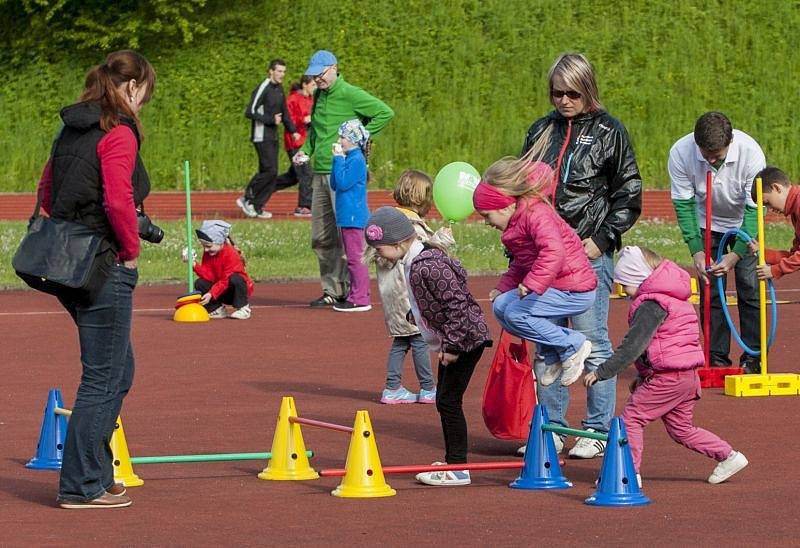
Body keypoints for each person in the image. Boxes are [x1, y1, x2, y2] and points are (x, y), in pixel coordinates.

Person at [34, 50, 156, 509]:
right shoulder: (118, 132)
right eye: (145, 91)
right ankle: (81, 485)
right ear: (132, 87)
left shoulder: (72, 127)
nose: (144, 101)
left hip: (68, 261)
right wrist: (128, 251)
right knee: (104, 376)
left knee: (116, 370)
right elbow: (119, 201)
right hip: (104, 263)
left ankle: (96, 475)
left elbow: (47, 189)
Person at [520, 53, 642, 459]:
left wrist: (602, 239)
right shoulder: (540, 130)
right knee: (546, 342)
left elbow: (629, 192)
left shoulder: (611, 131)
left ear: (588, 89)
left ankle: (596, 429)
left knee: (592, 342)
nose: (563, 101)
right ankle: (553, 429)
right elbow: (524, 191)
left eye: (572, 93)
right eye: (557, 93)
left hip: (587, 255)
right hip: (544, 257)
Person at [584, 246, 749, 486]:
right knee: (681, 429)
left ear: (639, 279)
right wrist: (644, 375)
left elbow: (633, 346)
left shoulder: (651, 304)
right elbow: (666, 345)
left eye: (625, 284)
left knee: (631, 418)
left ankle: (627, 474)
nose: (624, 292)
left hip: (669, 377)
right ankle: (729, 456)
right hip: (687, 376)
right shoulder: (675, 298)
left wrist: (602, 372)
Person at [364, 207, 491, 486]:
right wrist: (419, 316)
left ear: (398, 243)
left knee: (448, 401)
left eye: (380, 249)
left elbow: (457, 303)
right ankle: (453, 460)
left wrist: (454, 346)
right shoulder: (416, 262)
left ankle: (458, 467)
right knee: (445, 400)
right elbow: (436, 297)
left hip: (466, 339)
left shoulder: (427, 265)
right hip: (457, 337)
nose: (377, 255)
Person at [474, 158, 597, 387]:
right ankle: (552, 355)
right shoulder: (516, 223)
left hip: (574, 289)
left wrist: (532, 283)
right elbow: (521, 263)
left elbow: (554, 252)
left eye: (486, 216)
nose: (486, 223)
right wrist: (503, 287)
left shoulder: (535, 214)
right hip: (556, 285)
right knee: (501, 306)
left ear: (505, 206)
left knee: (517, 314)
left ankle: (574, 344)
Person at [294, 50, 394, 308]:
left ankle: (356, 293)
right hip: (321, 173)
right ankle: (333, 289)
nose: (317, 79)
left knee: (349, 235)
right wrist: (306, 150)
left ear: (334, 68)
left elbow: (385, 113)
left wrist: (361, 136)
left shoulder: (350, 93)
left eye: (321, 73)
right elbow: (316, 131)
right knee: (321, 235)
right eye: (314, 75)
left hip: (344, 171)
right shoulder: (318, 95)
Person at [669, 112, 765, 374]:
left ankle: (753, 358)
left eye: (717, 155)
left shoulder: (751, 153)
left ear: (730, 142)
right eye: (705, 154)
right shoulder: (681, 152)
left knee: (750, 287)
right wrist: (696, 250)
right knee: (710, 291)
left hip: (743, 224)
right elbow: (684, 205)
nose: (711, 160)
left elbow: (754, 210)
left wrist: (735, 255)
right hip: (706, 224)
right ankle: (716, 358)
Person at [367, 169, 455, 404]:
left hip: (392, 294)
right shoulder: (410, 226)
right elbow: (419, 254)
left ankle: (392, 386)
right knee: (418, 339)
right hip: (406, 293)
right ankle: (427, 387)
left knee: (401, 340)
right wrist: (440, 242)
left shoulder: (390, 220)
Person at [237, 58, 300, 220]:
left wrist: (293, 131)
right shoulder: (263, 87)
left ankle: (257, 206)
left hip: (272, 136)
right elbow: (249, 111)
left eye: (284, 72)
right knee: (269, 170)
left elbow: (284, 112)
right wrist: (271, 120)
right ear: (271, 71)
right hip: (261, 135)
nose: (282, 74)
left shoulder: (279, 89)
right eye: (279, 71)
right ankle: (247, 198)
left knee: (272, 172)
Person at [330, 119, 372, 312]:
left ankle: (360, 297)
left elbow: (344, 182)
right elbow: (335, 183)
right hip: (347, 216)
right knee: (353, 257)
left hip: (354, 217)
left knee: (356, 258)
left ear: (353, 140)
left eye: (343, 137)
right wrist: (336, 160)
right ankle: (356, 294)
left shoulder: (355, 160)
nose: (340, 140)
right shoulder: (349, 158)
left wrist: (338, 159)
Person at [186, 220, 254, 320]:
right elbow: (209, 275)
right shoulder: (209, 253)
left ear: (219, 242)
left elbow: (226, 279)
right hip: (221, 290)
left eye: (208, 246)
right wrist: (194, 265)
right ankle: (217, 309)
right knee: (200, 283)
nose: (205, 250)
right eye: (204, 246)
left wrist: (211, 293)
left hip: (234, 290)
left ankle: (243, 308)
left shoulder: (231, 254)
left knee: (235, 278)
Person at [747, 167, 800, 282]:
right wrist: (763, 253)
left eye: (767, 203)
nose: (770, 209)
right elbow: (794, 255)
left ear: (776, 188)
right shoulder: (795, 209)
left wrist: (775, 270)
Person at [273, 75, 316, 217]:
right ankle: (303, 207)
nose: (314, 88)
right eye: (313, 85)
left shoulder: (310, 99)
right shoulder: (292, 99)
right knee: (306, 174)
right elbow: (287, 118)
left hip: (305, 142)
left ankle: (263, 188)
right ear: (305, 85)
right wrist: (303, 119)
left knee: (293, 177)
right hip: (294, 142)